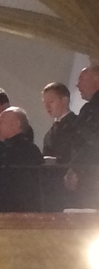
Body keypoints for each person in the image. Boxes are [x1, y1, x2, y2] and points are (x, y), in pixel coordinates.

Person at [0, 107, 44, 212]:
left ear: (16, 124)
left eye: (1, 121)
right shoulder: (3, 148)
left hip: (17, 212)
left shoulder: (26, 151)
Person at [66, 65, 99, 203]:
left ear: (96, 80)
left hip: (92, 179)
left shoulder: (92, 110)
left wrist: (76, 167)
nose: (77, 84)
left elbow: (91, 142)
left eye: (81, 79)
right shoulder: (88, 109)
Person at [41, 82, 77, 163]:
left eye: (51, 102)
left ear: (64, 100)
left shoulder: (77, 125)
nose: (47, 107)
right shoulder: (50, 132)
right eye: (45, 103)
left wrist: (57, 161)